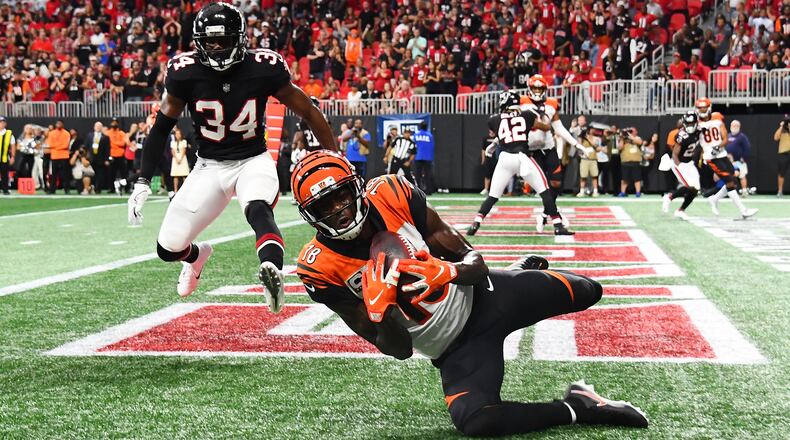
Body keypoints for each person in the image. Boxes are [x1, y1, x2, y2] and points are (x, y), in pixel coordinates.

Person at [291, 151, 648, 437]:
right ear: (310, 215)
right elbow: (399, 350)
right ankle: (579, 406)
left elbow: (474, 264)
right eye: (324, 205)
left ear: (355, 186)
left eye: (340, 195)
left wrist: (447, 271)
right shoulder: (319, 268)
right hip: (454, 350)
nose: (338, 209)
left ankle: (518, 275)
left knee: (589, 290)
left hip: (486, 295)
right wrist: (380, 312)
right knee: (478, 421)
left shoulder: (391, 194)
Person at [127, 2, 337, 310]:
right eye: (209, 41)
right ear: (198, 42)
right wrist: (142, 179)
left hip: (253, 159)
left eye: (222, 40)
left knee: (258, 208)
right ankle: (197, 256)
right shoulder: (185, 73)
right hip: (209, 167)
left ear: (239, 39)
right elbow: (160, 128)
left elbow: (307, 109)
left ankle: (272, 270)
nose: (215, 48)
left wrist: (334, 156)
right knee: (168, 247)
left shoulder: (264, 67)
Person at [467, 90, 573, 237]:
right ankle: (557, 225)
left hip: (505, 158)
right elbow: (545, 127)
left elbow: (501, 133)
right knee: (545, 191)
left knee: (493, 196)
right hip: (523, 158)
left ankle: (476, 222)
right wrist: (545, 117)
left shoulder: (494, 119)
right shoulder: (527, 115)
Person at [520, 75, 584, 231]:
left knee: (556, 183)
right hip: (531, 150)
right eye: (534, 88)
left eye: (539, 88)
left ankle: (544, 214)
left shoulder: (551, 104)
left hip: (548, 148)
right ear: (529, 88)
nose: (536, 91)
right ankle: (556, 217)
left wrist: (575, 143)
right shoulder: (520, 103)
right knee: (542, 186)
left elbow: (559, 128)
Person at [694, 98, 757, 218]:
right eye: (700, 108)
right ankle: (743, 211)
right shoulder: (697, 124)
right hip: (710, 158)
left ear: (709, 107)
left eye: (704, 107)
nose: (702, 110)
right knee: (730, 182)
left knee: (732, 180)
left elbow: (725, 139)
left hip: (721, 155)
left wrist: (717, 147)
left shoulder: (717, 119)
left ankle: (714, 199)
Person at [662, 111, 702, 220]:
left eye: (692, 123)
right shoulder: (681, 135)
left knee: (696, 189)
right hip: (678, 163)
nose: (690, 126)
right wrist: (680, 166)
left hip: (689, 163)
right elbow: (674, 154)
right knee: (689, 186)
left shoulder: (699, 130)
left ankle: (680, 210)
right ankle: (669, 197)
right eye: (687, 124)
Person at [726, 120, 752, 195]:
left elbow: (747, 148)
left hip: (739, 161)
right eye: (732, 126)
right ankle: (728, 191)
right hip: (729, 161)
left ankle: (744, 191)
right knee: (728, 176)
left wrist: (743, 158)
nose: (734, 127)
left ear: (739, 127)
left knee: (742, 175)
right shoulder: (728, 136)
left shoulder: (742, 137)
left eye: (736, 126)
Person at [617, 128, 644, 197]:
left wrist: (630, 136)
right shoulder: (623, 139)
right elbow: (619, 148)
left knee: (637, 178)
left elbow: (640, 142)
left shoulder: (638, 138)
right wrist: (622, 138)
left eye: (632, 131)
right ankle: (623, 192)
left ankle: (638, 192)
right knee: (624, 178)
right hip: (625, 161)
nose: (631, 132)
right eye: (630, 131)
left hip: (636, 161)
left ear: (636, 132)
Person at [46, 120, 71, 194]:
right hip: (55, 156)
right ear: (55, 124)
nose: (59, 125)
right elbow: (50, 144)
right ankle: (52, 189)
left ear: (62, 124)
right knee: (54, 174)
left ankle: (66, 189)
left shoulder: (66, 133)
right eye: (57, 123)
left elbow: (66, 145)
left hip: (64, 156)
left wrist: (56, 147)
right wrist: (59, 146)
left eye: (60, 123)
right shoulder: (51, 133)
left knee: (65, 174)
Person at [86, 122, 111, 193]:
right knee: (91, 173)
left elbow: (107, 149)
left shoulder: (105, 137)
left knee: (100, 174)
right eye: (97, 126)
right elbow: (86, 146)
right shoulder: (89, 135)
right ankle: (91, 187)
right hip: (91, 158)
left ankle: (98, 188)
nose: (98, 128)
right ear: (94, 127)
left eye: (100, 126)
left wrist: (107, 159)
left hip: (101, 158)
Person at [107, 118, 128, 195]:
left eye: (115, 122)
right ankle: (111, 188)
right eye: (113, 122)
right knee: (111, 173)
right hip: (112, 155)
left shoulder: (121, 133)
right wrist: (116, 143)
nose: (114, 124)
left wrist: (113, 142)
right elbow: (107, 144)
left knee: (124, 173)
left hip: (120, 155)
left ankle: (126, 188)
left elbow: (123, 143)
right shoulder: (108, 133)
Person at [576, 129, 599, 197]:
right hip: (584, 159)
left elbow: (595, 146)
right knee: (583, 176)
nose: (591, 132)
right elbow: (579, 147)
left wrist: (588, 139)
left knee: (594, 176)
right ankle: (582, 191)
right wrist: (581, 138)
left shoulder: (595, 138)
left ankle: (595, 191)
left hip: (593, 159)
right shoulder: (582, 139)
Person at [413, 121, 434, 195]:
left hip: (418, 157)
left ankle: (417, 191)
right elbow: (432, 147)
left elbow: (413, 146)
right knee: (427, 175)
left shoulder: (416, 135)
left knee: (417, 175)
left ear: (420, 126)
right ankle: (429, 191)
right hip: (428, 157)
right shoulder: (430, 135)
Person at [170, 128, 190, 193]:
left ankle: (185, 190)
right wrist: (176, 159)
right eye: (176, 134)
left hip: (182, 159)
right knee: (175, 175)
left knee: (184, 174)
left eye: (179, 134)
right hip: (175, 159)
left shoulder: (184, 141)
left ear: (181, 135)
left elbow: (184, 150)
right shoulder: (173, 142)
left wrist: (180, 159)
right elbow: (172, 151)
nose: (177, 135)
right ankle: (175, 190)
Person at [775, 115, 790, 197]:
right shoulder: (782, 130)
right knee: (781, 173)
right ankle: (780, 191)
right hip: (783, 153)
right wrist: (781, 126)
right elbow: (776, 138)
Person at [480, 129, 498, 196]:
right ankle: (486, 189)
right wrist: (483, 159)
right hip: (488, 158)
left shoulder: (497, 138)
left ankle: (495, 190)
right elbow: (483, 149)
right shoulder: (485, 138)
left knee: (496, 175)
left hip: (496, 158)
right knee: (487, 173)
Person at [0, 117, 15, 195]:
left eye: (2, 122)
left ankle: (5, 189)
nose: (1, 124)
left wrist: (12, 157)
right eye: (0, 122)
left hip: (4, 157)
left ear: (5, 124)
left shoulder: (9, 133)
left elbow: (12, 146)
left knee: (5, 175)